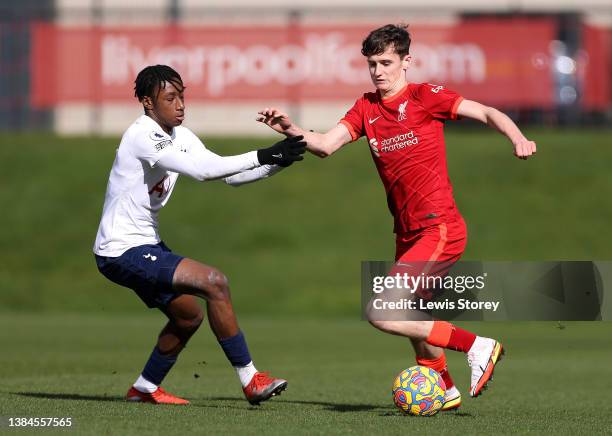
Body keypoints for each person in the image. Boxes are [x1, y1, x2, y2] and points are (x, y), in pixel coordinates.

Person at [256, 24, 536, 410]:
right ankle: (446, 387)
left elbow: (486, 112)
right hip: (407, 232)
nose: (378, 71)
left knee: (381, 312)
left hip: (440, 227)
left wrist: (517, 137)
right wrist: (291, 129)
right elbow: (324, 145)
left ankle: (478, 346)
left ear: (407, 61)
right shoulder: (366, 108)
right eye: (372, 64)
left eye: (386, 62)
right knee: (412, 316)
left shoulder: (426, 97)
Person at [94, 64, 306, 405]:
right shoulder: (142, 135)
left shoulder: (181, 136)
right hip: (120, 250)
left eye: (182, 97)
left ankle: (144, 388)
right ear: (148, 102)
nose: (180, 105)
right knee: (215, 282)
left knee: (188, 316)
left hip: (145, 245)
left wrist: (279, 161)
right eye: (170, 98)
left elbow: (229, 175)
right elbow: (204, 171)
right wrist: (264, 153)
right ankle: (251, 379)